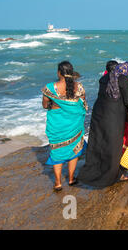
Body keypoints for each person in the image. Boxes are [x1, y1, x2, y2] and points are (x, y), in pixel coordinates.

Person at [78, 62, 128, 188]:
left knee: (100, 142)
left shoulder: (104, 78)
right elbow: (127, 100)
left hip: (99, 113)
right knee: (113, 146)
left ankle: (96, 169)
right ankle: (114, 174)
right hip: (113, 116)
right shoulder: (123, 79)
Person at [42, 61, 87, 191]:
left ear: (59, 73)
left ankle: (57, 183)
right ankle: (71, 179)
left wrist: (56, 104)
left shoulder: (49, 88)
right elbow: (83, 103)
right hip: (74, 124)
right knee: (74, 150)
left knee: (57, 152)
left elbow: (45, 105)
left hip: (57, 124)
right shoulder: (79, 87)